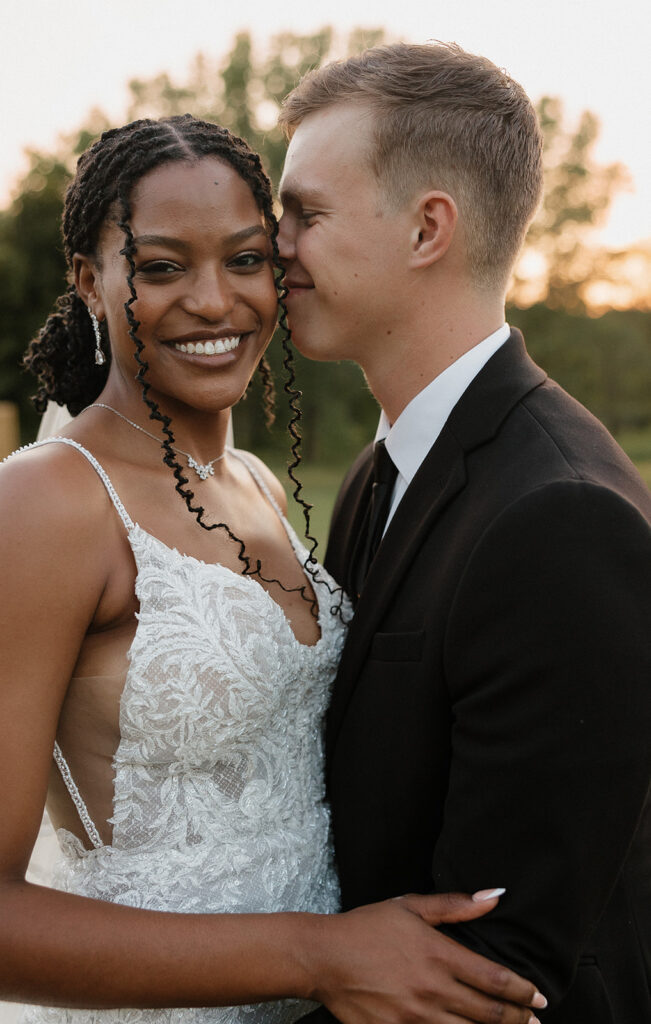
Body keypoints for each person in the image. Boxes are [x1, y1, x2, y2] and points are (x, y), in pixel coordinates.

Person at [0, 114, 546, 1024]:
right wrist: (316, 956)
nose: (213, 302)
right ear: (89, 280)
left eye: (244, 260)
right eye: (161, 268)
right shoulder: (48, 504)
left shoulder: (256, 487)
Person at [277, 42, 651, 1023]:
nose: (273, 246)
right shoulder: (379, 470)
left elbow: (488, 970)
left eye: (303, 214)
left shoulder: (558, 517)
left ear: (424, 228)